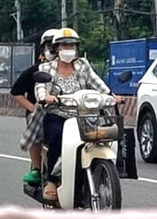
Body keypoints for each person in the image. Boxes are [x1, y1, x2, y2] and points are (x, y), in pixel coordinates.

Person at [36, 28, 113, 204]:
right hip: (58, 114)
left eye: (71, 45)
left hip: (85, 114)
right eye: (64, 45)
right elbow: (41, 86)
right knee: (56, 136)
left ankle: (100, 172)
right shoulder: (46, 67)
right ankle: (52, 181)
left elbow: (97, 84)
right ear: (56, 48)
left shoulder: (83, 65)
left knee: (105, 134)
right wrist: (45, 97)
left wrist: (112, 96)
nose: (68, 48)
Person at [13, 29, 60, 185]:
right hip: (40, 111)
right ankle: (37, 168)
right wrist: (33, 108)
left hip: (66, 111)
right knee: (36, 123)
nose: (55, 50)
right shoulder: (36, 70)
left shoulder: (75, 69)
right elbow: (16, 92)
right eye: (51, 46)